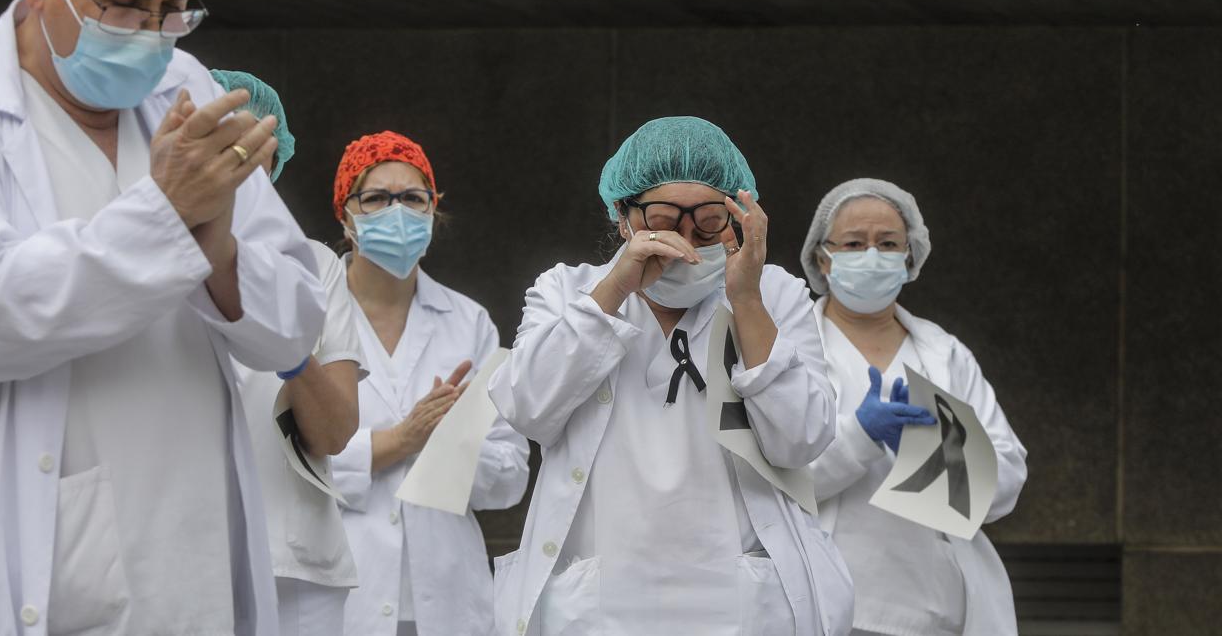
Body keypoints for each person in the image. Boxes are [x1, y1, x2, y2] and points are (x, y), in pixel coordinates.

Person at [0, 0, 327, 633]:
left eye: (174, 9)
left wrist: (220, 253)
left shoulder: (187, 86)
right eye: (126, 8)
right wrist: (164, 218)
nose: (152, 35)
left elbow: (295, 322)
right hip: (49, 550)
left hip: (198, 545)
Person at [488, 116, 853, 635]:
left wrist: (745, 298)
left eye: (706, 221)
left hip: (740, 603)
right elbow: (525, 406)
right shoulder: (568, 292)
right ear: (622, 217)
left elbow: (800, 441)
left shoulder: (775, 294)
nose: (684, 239)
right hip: (601, 605)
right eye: (662, 218)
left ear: (737, 219)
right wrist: (614, 291)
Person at [797, 178, 1028, 636]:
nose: (871, 255)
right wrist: (858, 438)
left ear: (910, 256)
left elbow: (1006, 484)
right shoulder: (790, 347)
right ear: (823, 257)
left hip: (933, 610)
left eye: (887, 243)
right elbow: (766, 477)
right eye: (853, 243)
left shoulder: (944, 354)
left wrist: (933, 454)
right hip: (825, 605)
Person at [330, 131, 531, 636]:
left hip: (446, 597)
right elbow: (279, 461)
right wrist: (398, 441)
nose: (396, 212)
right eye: (375, 197)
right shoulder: (309, 311)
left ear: (433, 212)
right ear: (345, 214)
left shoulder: (468, 323)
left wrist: (452, 442)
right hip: (338, 594)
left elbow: (509, 478)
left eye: (413, 198)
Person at [212, 70, 363, 636]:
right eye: (226, 146)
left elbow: (334, 433)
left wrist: (292, 351)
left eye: (259, 153)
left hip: (294, 567)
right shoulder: (145, 255)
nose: (243, 165)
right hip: (178, 547)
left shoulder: (315, 268)